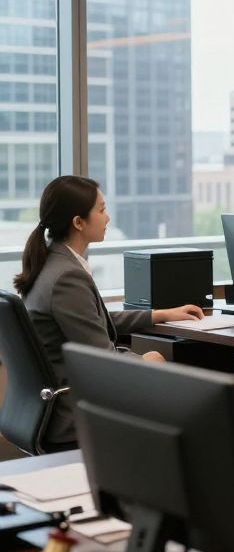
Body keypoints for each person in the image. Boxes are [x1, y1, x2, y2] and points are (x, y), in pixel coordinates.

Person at [14, 176, 204, 446]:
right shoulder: (67, 277)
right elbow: (104, 360)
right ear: (78, 222)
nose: (108, 218)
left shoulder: (53, 263)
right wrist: (149, 362)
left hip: (48, 407)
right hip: (73, 412)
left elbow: (91, 321)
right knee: (181, 390)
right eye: (101, 210)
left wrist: (158, 315)